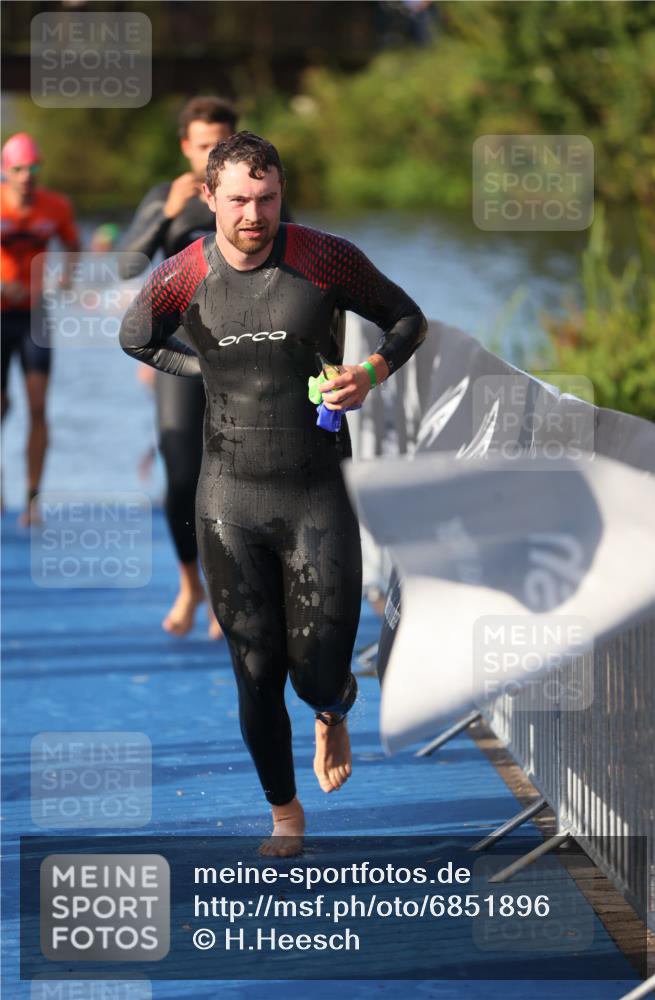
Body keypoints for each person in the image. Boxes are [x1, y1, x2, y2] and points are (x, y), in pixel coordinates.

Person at [120, 132, 427, 856]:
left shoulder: (326, 258)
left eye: (267, 199)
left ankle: (332, 708)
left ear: (280, 194)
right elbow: (136, 337)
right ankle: (284, 813)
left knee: (318, 669)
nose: (253, 215)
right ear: (208, 199)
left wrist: (371, 373)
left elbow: (407, 319)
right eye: (237, 201)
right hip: (227, 497)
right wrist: (202, 371)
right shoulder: (181, 275)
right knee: (255, 670)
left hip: (315, 492)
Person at [119, 96, 240, 638]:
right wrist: (167, 213)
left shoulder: (249, 197)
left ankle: (225, 588)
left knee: (236, 477)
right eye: (203, 146)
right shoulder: (167, 198)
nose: (212, 154)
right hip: (179, 355)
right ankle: (191, 582)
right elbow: (126, 265)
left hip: (241, 353)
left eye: (222, 144)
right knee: (182, 475)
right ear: (186, 148)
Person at [1, 133, 80, 525]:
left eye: (32, 168)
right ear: (5, 171)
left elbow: (73, 245)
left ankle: (33, 499)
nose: (26, 176)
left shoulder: (56, 206)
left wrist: (65, 277)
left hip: (35, 315)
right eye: (18, 169)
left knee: (37, 406)